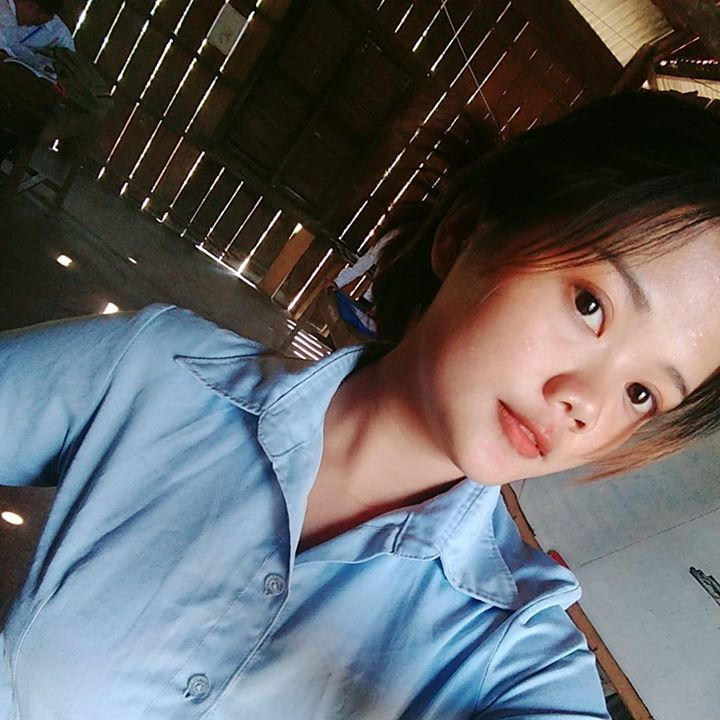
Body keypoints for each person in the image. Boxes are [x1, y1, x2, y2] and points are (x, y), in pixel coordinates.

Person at [2, 90, 720, 719]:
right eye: (591, 305)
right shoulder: (155, 373)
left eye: (642, 393)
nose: (585, 403)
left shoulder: (517, 651)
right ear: (464, 234)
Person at [0, 0, 74, 79]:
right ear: (31, 6)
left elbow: (12, 43)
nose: (28, 25)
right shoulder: (6, 13)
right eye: (34, 21)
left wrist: (41, 64)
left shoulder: (58, 31)